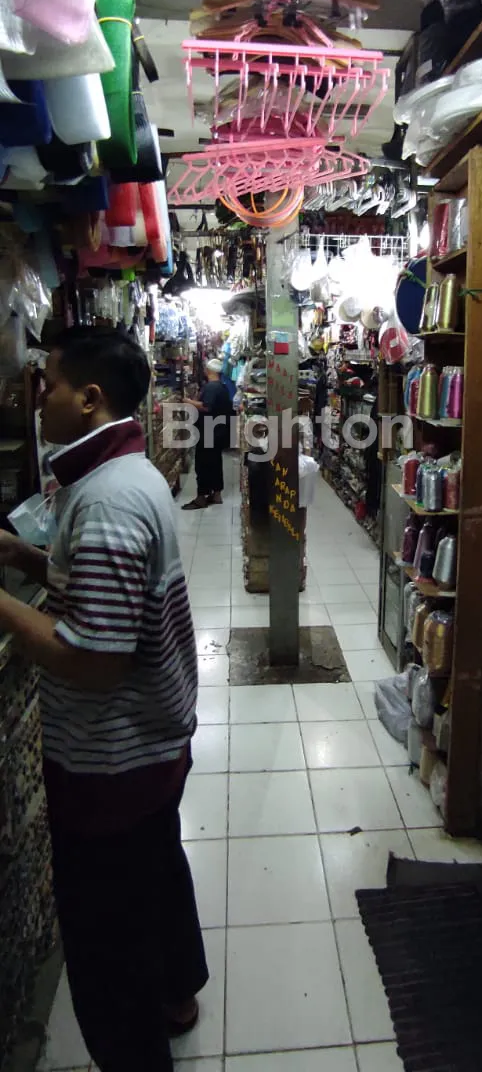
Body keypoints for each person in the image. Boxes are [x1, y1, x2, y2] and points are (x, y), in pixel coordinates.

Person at [0, 328, 207, 1072]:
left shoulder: (108, 500)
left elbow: (94, 663)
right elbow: (107, 596)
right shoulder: (122, 474)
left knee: (107, 952)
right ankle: (178, 990)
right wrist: (29, 559)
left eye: (49, 383)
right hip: (151, 744)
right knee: (156, 870)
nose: (38, 397)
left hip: (114, 763)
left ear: (89, 399)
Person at [182, 356, 233, 510]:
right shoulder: (222, 387)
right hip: (218, 432)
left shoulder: (211, 387)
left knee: (203, 464)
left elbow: (206, 406)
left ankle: (201, 497)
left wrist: (188, 401)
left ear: (209, 370)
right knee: (215, 463)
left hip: (208, 432)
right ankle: (216, 494)